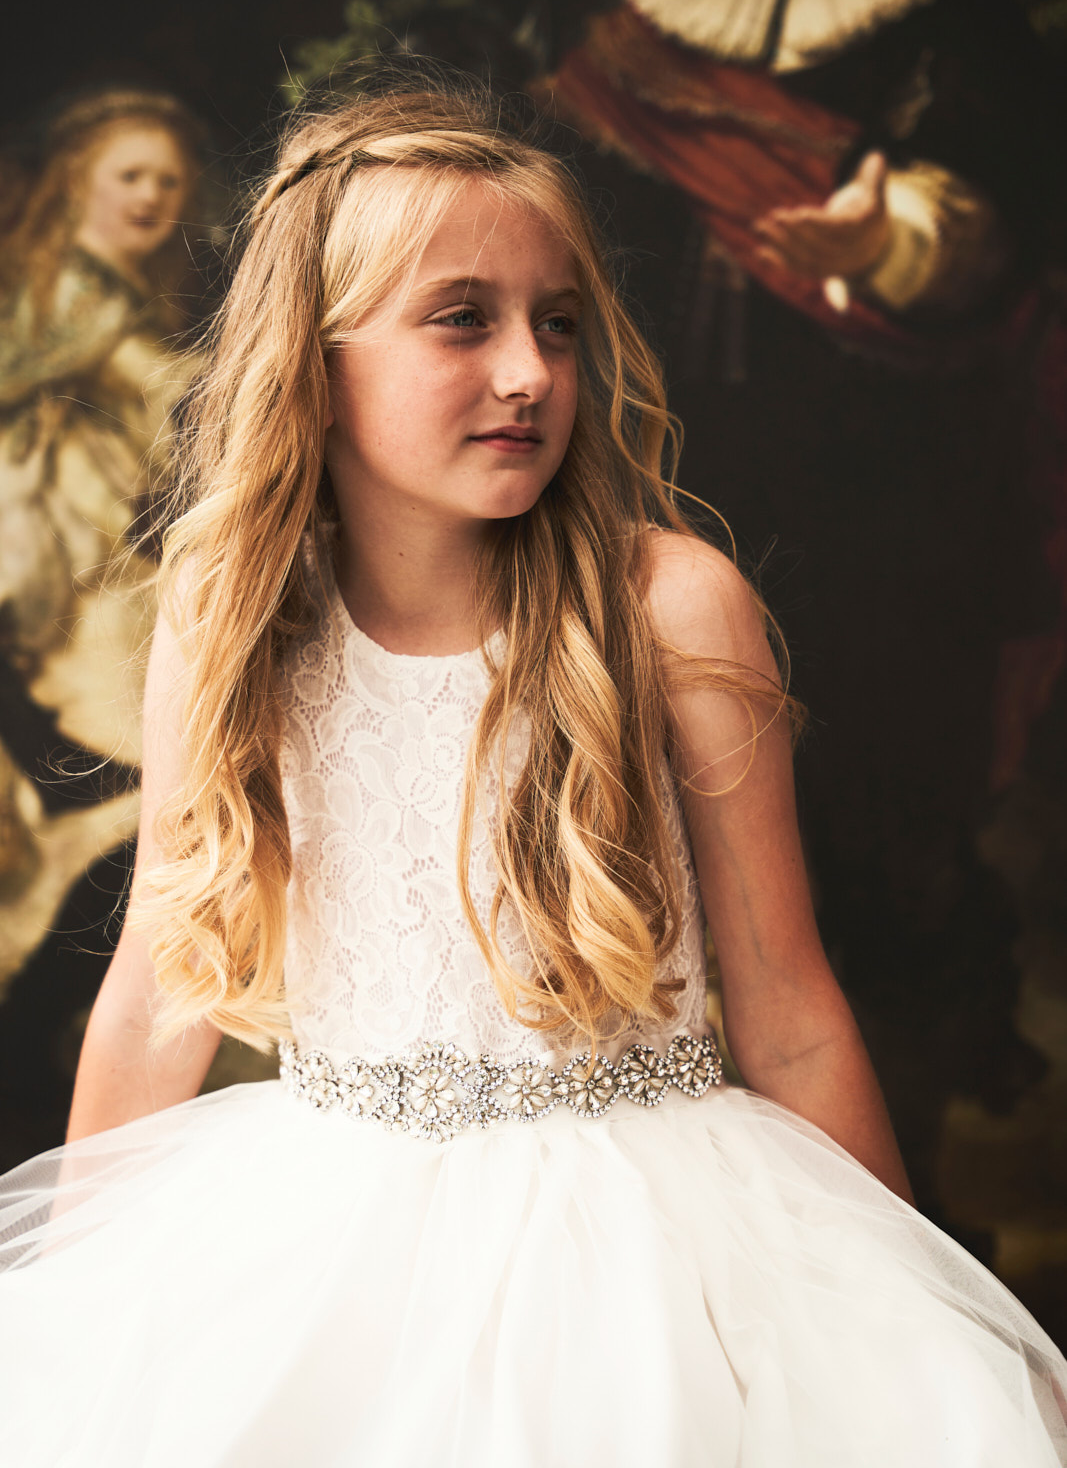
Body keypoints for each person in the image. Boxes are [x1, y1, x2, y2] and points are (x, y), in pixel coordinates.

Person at [0, 75, 1063, 1467]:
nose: (528, 372)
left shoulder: (670, 607)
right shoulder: (231, 612)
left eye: (555, 323)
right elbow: (158, 981)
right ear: (314, 354)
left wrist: (894, 1315)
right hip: (328, 1238)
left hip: (643, 1242)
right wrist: (80, 1310)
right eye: (462, 318)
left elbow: (788, 1004)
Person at [542, 0, 1064, 1228]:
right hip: (675, 484)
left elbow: (999, 239)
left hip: (886, 519)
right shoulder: (630, 22)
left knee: (880, 869)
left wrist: (886, 242)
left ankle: (886, 1229)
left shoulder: (958, 20)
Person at [0, 89, 205, 1162]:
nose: (151, 195)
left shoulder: (119, 300)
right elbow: (156, 382)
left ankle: (55, 1051)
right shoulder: (66, 298)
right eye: (130, 173)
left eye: (167, 179)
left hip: (101, 583)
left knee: (133, 814)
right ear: (80, 178)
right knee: (114, 805)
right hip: (44, 585)